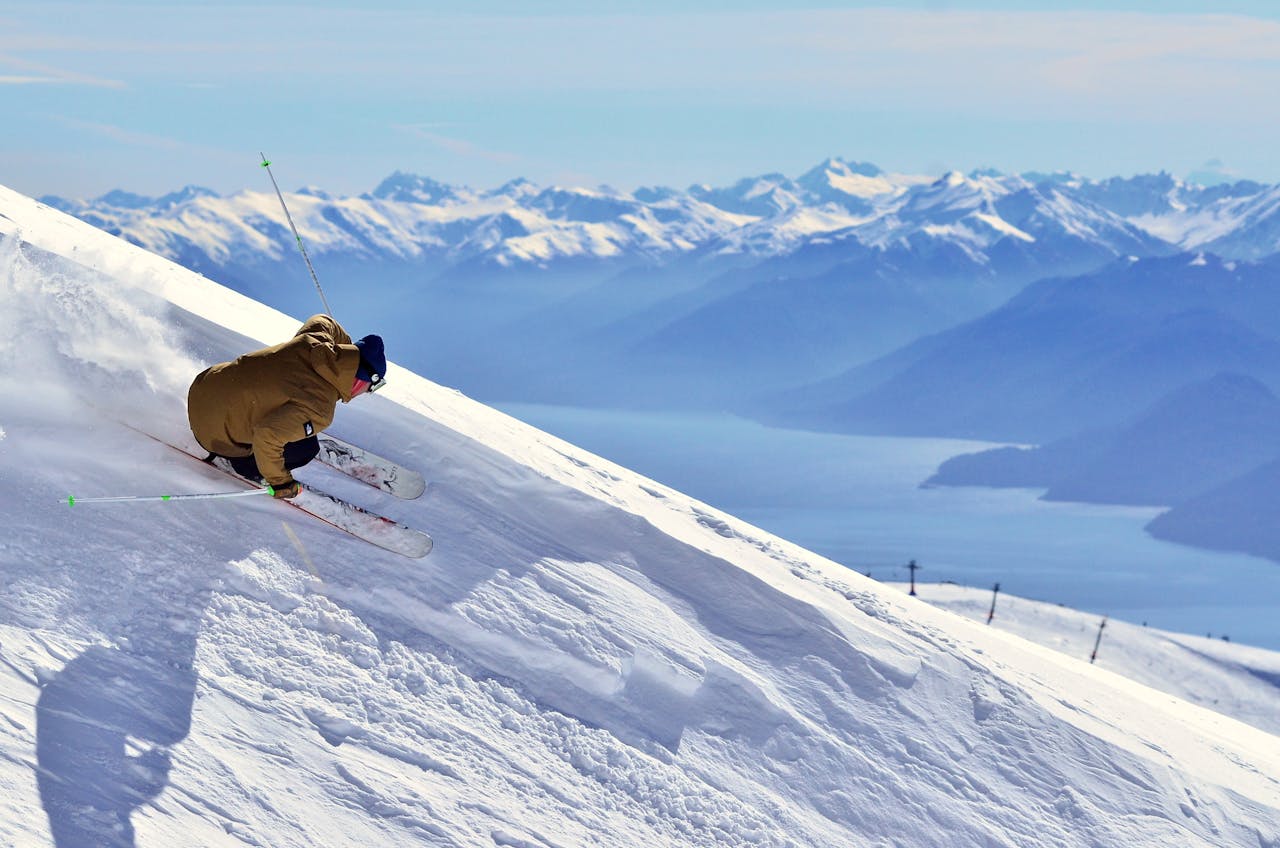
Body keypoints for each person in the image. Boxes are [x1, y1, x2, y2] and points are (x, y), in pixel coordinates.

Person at [187, 314, 385, 499]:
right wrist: (281, 483)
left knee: (275, 404)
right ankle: (243, 464)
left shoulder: (315, 340)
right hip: (213, 436)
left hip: (201, 389)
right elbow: (267, 436)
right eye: (373, 387)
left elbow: (323, 320)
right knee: (307, 448)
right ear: (363, 380)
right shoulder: (321, 408)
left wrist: (347, 353)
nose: (367, 392)